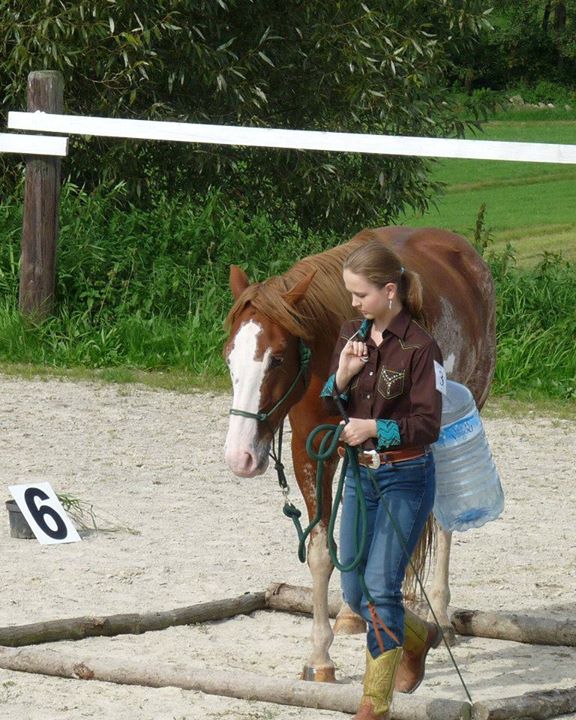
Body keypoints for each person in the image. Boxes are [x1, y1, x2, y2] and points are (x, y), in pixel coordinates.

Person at [321, 239, 444, 720]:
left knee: (381, 587)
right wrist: (343, 377)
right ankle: (419, 637)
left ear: (389, 292)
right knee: (353, 590)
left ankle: (375, 703)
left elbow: (428, 425)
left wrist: (376, 428)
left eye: (360, 294)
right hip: (361, 478)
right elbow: (334, 402)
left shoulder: (421, 348)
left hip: (406, 477)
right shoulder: (351, 335)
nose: (352, 304)